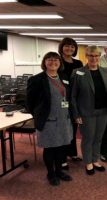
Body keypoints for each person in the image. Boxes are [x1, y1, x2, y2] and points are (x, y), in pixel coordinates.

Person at [26, 52, 73, 186]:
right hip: (48, 121)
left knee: (61, 147)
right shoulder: (37, 79)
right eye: (50, 60)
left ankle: (59, 171)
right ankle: (50, 173)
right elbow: (30, 102)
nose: (53, 62)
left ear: (60, 62)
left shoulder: (64, 77)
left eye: (56, 60)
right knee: (50, 148)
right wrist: (39, 116)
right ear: (44, 62)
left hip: (64, 119)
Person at [70, 45, 107, 175]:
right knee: (88, 138)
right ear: (86, 56)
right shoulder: (78, 72)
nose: (94, 58)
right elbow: (73, 95)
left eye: (96, 55)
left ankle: (95, 160)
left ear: (99, 56)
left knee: (98, 138)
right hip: (86, 112)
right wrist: (76, 113)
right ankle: (88, 162)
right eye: (91, 55)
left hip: (103, 111)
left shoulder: (105, 72)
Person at [58, 37, 83, 170]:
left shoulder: (78, 62)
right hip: (61, 99)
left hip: (74, 99)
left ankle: (72, 152)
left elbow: (81, 80)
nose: (69, 48)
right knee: (63, 129)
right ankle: (61, 158)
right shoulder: (57, 61)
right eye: (67, 46)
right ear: (62, 47)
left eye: (72, 47)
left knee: (72, 128)